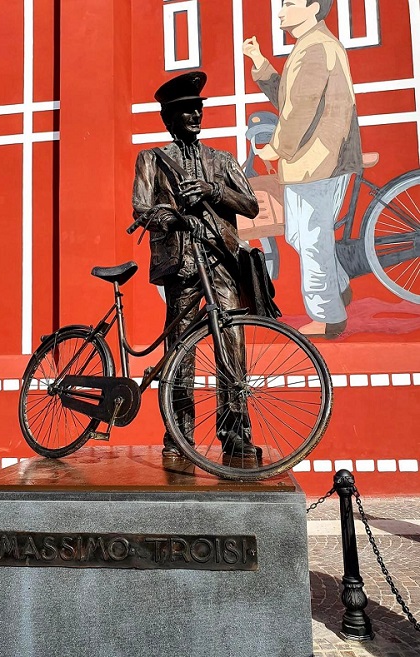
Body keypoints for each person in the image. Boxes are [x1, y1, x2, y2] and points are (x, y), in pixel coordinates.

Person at [132, 71, 260, 457]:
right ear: (170, 119)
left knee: (231, 344)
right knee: (179, 353)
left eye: (198, 108)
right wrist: (169, 217)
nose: (196, 115)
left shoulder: (221, 161)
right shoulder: (151, 159)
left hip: (221, 261)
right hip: (181, 264)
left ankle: (235, 432)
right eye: (187, 111)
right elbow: (140, 209)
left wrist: (213, 191)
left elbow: (251, 205)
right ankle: (178, 435)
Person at [243, 0, 362, 338]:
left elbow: (298, 112)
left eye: (289, 4)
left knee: (310, 238)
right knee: (303, 234)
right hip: (318, 161)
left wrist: (276, 148)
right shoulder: (313, 45)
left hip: (318, 161)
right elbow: (290, 98)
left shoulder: (314, 49)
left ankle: (327, 317)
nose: (280, 12)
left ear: (313, 8)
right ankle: (338, 287)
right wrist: (261, 63)